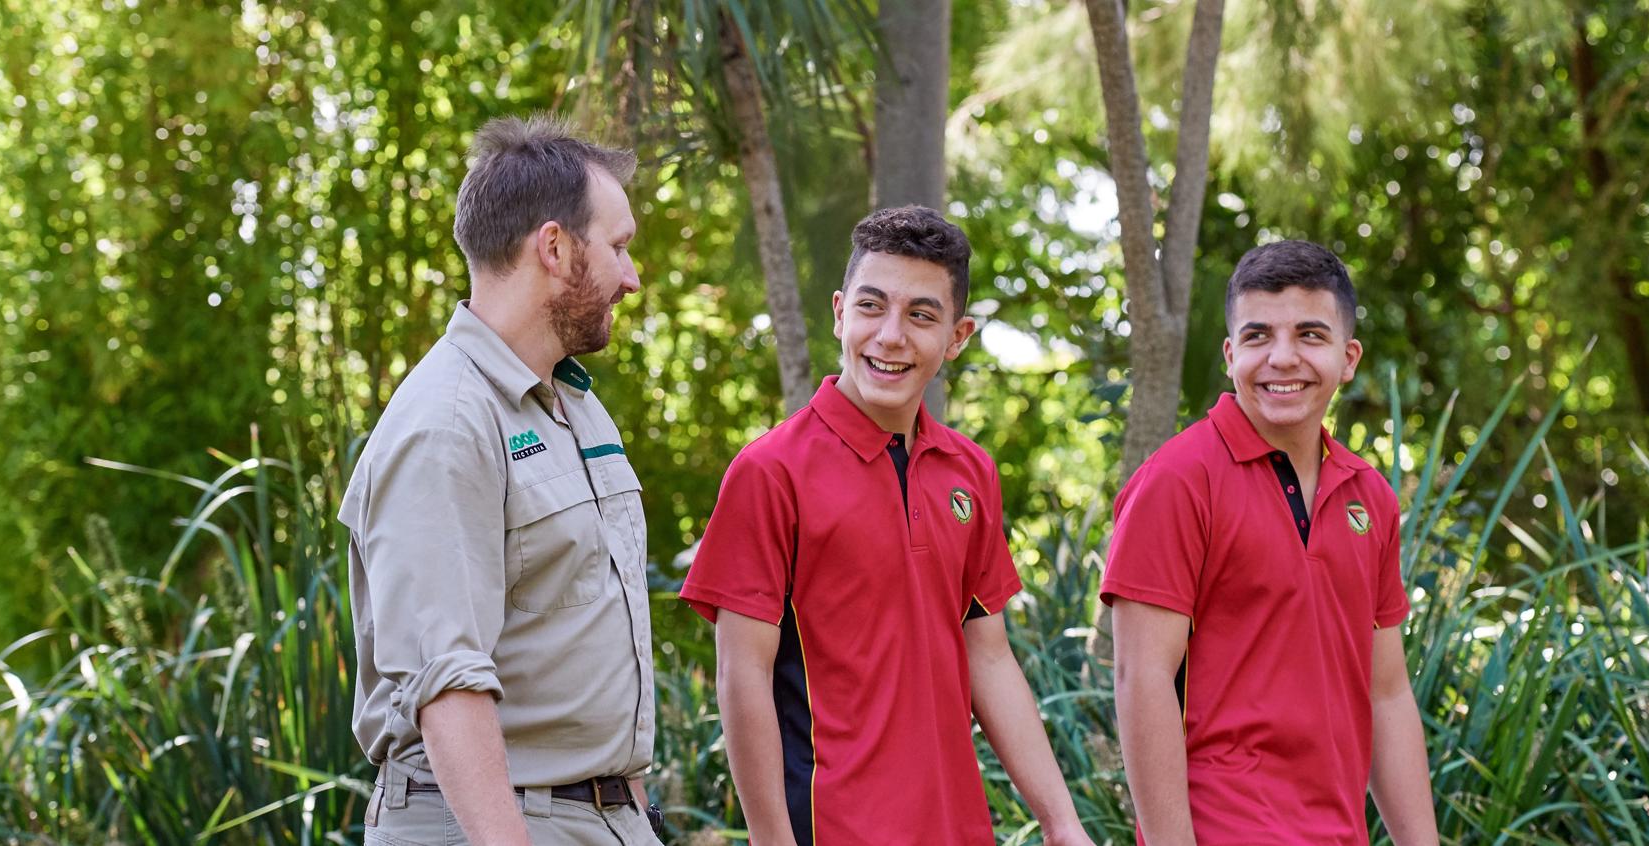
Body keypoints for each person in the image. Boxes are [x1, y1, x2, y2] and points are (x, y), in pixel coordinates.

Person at [678, 206, 1094, 845]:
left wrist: (1063, 825)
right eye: (873, 307)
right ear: (841, 312)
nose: (891, 335)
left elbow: (989, 656)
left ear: (957, 337)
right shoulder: (770, 473)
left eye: (922, 316)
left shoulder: (970, 471)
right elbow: (742, 678)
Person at [339, 114, 663, 845]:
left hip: (599, 819)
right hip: (488, 822)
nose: (632, 277)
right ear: (554, 247)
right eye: (618, 248)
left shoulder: (576, 406)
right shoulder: (446, 426)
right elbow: (447, 683)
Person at [1102, 240, 1438, 845]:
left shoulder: (1370, 497)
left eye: (1310, 335)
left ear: (1349, 355)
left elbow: (1386, 692)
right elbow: (1141, 679)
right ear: (1231, 355)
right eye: (1258, 337)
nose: (1282, 358)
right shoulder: (1179, 480)